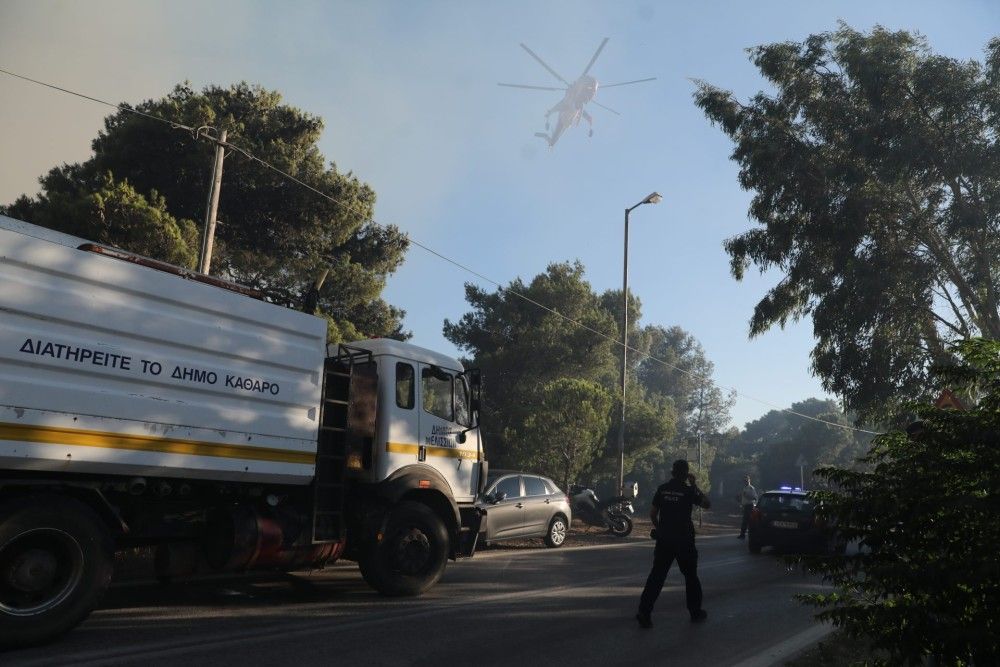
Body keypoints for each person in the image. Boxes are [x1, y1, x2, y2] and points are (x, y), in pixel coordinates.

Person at [636, 460, 710, 628]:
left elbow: (653, 514)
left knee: (657, 576)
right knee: (691, 577)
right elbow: (707, 504)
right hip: (684, 541)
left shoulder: (662, 489)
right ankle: (695, 612)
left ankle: (644, 612)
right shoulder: (689, 490)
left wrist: (661, 529)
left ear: (672, 472)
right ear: (686, 474)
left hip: (664, 540)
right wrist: (695, 485)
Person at [738, 475, 758, 539]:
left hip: (750, 506)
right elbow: (743, 498)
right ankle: (742, 535)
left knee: (750, 521)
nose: (745, 482)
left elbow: (754, 498)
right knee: (744, 521)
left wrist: (747, 496)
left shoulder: (751, 488)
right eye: (744, 481)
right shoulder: (744, 488)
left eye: (746, 480)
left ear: (749, 480)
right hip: (745, 506)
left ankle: (751, 535)